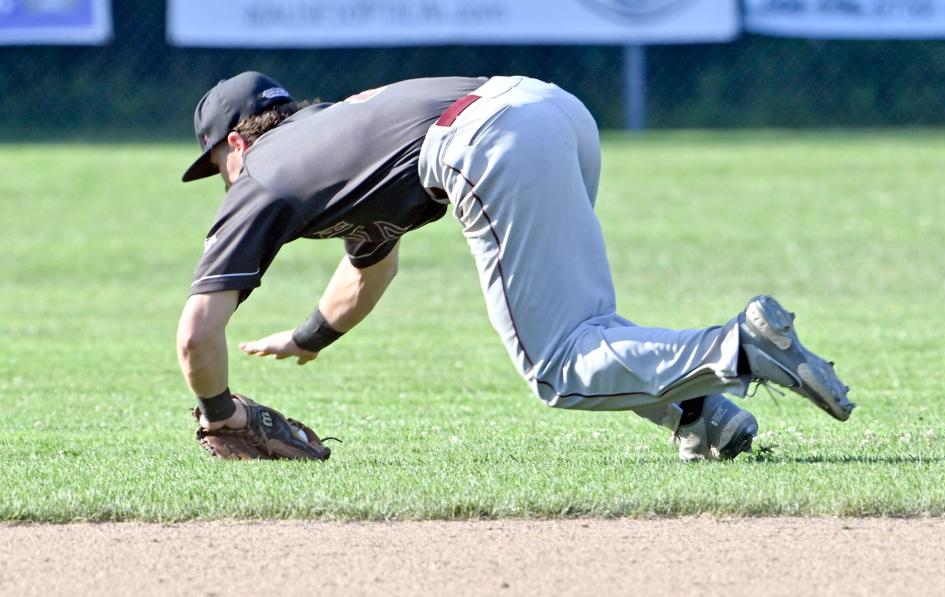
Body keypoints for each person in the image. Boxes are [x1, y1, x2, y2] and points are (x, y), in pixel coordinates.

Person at [176, 71, 855, 462]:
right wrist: (308, 336)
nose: (222, 181)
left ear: (237, 140)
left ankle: (738, 346)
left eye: (217, 165)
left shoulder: (262, 175)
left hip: (483, 142)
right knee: (582, 324)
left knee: (557, 365)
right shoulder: (334, 138)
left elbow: (195, 333)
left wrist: (218, 412)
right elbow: (368, 270)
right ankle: (702, 416)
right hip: (547, 109)